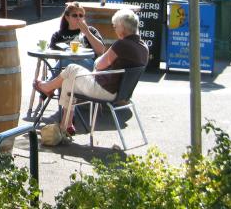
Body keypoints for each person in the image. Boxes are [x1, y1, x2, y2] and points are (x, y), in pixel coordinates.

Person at [34, 8, 148, 136]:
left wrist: (100, 61)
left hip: (105, 90)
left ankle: (48, 87)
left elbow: (98, 65)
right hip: (121, 93)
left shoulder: (121, 45)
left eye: (115, 26)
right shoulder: (143, 47)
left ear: (122, 27)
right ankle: (66, 125)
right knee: (69, 79)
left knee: (71, 68)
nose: (114, 29)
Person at [49, 2, 105, 69]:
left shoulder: (91, 30)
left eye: (81, 15)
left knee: (66, 62)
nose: (78, 18)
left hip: (86, 67)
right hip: (65, 68)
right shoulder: (58, 35)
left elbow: (101, 52)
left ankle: (52, 79)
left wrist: (87, 32)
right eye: (75, 15)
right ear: (67, 17)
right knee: (66, 61)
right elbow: (55, 56)